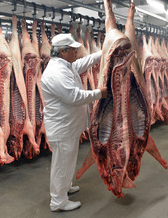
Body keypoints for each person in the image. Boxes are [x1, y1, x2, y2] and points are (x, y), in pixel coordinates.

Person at [41, 33, 107, 212]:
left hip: (69, 126)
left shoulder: (64, 66)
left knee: (67, 161)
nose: (77, 51)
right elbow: (74, 97)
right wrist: (99, 93)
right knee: (62, 163)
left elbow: (81, 64)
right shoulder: (56, 72)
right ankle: (58, 201)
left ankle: (65, 187)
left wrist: (104, 52)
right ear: (63, 51)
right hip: (62, 127)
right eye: (73, 49)